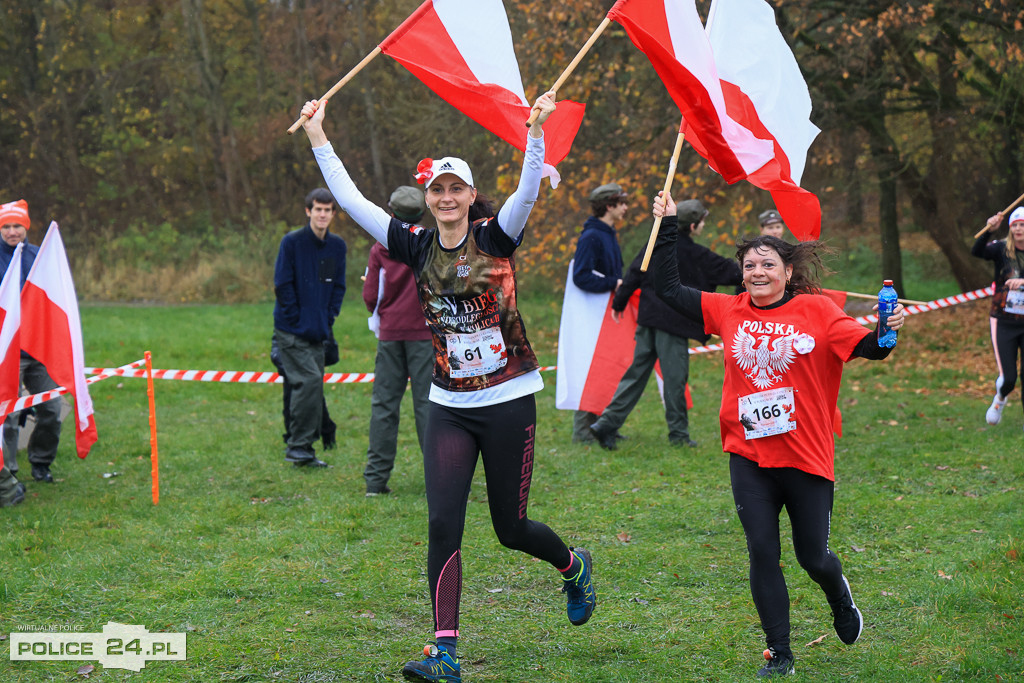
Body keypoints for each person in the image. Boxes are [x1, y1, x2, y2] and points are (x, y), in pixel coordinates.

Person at [298, 92, 596, 682]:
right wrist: (318, 137)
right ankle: (445, 651)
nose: (446, 197)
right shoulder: (415, 243)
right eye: (437, 189)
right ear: (429, 199)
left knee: (509, 529)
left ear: (468, 195)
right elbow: (353, 202)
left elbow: (528, 190)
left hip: (509, 397)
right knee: (442, 522)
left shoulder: (495, 236)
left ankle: (573, 565)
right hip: (451, 404)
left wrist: (534, 134)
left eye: (455, 188)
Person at [649, 190, 907, 678]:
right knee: (762, 552)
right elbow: (667, 289)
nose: (757, 273)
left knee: (814, 557)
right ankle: (780, 652)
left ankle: (839, 596)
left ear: (788, 272)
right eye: (749, 266)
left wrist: (887, 329)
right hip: (749, 456)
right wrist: (666, 227)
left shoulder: (819, 313)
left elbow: (871, 348)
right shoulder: (729, 311)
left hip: (806, 456)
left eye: (767, 264)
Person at [589, 199, 741, 450]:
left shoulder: (655, 244)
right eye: (702, 222)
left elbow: (635, 272)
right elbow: (735, 272)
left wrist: (619, 303)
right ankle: (679, 435)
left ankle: (606, 424)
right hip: (671, 326)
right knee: (674, 379)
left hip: (647, 319)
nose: (703, 226)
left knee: (635, 375)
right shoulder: (696, 254)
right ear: (692, 226)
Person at [361, 186, 433, 497]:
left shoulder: (380, 246)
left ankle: (376, 481)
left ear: (391, 212)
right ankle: (439, 478)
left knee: (384, 406)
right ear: (422, 214)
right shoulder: (432, 242)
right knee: (429, 407)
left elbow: (371, 296)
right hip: (425, 336)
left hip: (391, 335)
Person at [272, 188, 347, 468]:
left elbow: (338, 287)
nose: (322, 215)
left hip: (319, 332)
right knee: (309, 383)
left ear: (333, 214)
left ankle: (302, 445)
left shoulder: (337, 246)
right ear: (308, 211)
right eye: (318, 209)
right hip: (291, 331)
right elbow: (282, 284)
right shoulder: (291, 243)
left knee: (309, 386)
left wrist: (328, 319)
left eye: (327, 210)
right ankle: (299, 446)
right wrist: (296, 321)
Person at [0, 199, 65, 484]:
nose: (12, 232)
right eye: (6, 226)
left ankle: (41, 462)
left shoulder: (39, 258)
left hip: (38, 349)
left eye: (17, 226)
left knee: (51, 409)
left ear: (26, 227)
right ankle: (9, 473)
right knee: (9, 415)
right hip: (6, 350)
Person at [567, 182, 628, 442]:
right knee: (589, 368)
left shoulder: (608, 232)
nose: (626, 208)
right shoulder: (592, 236)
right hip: (591, 314)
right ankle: (583, 431)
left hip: (605, 313)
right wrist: (613, 284)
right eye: (622, 203)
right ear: (609, 206)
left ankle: (602, 426)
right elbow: (581, 276)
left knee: (606, 369)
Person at [973, 207, 1024, 428]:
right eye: (1015, 225)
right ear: (1010, 228)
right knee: (1009, 378)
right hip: (1004, 320)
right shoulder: (1001, 249)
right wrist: (989, 231)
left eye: (1023, 225)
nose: (1019, 229)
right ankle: (1000, 398)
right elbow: (977, 251)